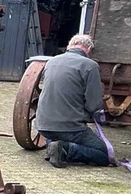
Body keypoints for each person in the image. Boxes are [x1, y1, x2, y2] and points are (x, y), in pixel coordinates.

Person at [33, 34, 109, 168]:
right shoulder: (90, 65)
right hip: (70, 128)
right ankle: (66, 149)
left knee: (59, 133)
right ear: (88, 48)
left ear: (70, 46)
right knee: (102, 154)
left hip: (42, 126)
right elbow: (94, 105)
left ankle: (52, 145)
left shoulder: (51, 62)